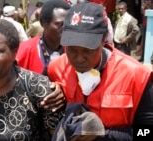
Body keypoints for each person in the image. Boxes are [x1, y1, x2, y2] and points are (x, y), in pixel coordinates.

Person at [48, 2, 153, 140]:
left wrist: (102, 135)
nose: (79, 59)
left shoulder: (136, 76)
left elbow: (146, 132)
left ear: (104, 39)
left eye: (88, 50)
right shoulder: (55, 69)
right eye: (71, 49)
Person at [16, 0, 71, 75]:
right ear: (44, 23)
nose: (66, 28)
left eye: (68, 24)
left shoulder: (73, 51)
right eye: (60, 24)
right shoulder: (25, 51)